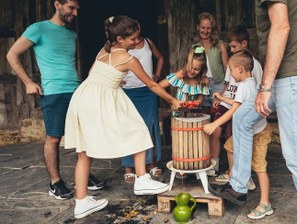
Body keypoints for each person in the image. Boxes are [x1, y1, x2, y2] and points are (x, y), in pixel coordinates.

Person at [211, 1, 297, 223]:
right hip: (284, 75)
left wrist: (265, 87)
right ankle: (238, 185)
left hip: (291, 76)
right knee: (242, 117)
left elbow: (281, 27)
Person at [63, 15, 181, 219]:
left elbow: (93, 72)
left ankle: (81, 202)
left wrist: (114, 81)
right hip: (98, 100)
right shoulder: (128, 58)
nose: (137, 41)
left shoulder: (104, 50)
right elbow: (151, 85)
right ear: (120, 39)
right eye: (133, 39)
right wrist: (172, 101)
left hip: (83, 96)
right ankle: (142, 179)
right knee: (139, 130)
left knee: (84, 152)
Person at [6, 0, 103, 200]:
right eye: (71, 8)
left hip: (76, 91)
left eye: (77, 9)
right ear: (57, 4)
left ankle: (82, 175)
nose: (75, 13)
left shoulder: (71, 34)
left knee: (82, 135)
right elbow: (12, 54)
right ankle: (55, 182)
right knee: (54, 137)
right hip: (53, 93)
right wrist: (28, 82)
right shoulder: (38, 28)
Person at [207, 25, 263, 179]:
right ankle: (214, 165)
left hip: (242, 104)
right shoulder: (232, 62)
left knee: (234, 136)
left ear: (244, 44)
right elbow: (227, 84)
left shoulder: (254, 65)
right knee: (216, 131)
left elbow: (258, 88)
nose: (231, 50)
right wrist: (221, 97)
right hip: (229, 101)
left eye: (233, 46)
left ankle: (241, 173)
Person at [120, 30, 165, 184]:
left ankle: (151, 163)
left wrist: (157, 75)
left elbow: (160, 58)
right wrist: (116, 79)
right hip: (128, 91)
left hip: (148, 89)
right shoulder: (121, 45)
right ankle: (128, 167)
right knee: (129, 128)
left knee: (150, 125)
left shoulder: (147, 41)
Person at [158, 45, 210, 117]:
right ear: (186, 63)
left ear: (202, 69)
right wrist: (171, 101)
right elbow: (159, 86)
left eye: (196, 69)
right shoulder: (180, 76)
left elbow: (199, 101)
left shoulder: (203, 81)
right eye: (190, 67)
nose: (192, 71)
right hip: (178, 116)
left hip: (193, 116)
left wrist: (189, 104)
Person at [193, 12, 229, 113]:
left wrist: (226, 86)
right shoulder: (195, 47)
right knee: (204, 114)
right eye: (203, 27)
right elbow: (191, 69)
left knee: (218, 112)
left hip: (218, 84)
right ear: (198, 27)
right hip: (201, 84)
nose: (205, 31)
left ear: (212, 29)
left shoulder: (219, 45)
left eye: (208, 28)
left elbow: (227, 67)